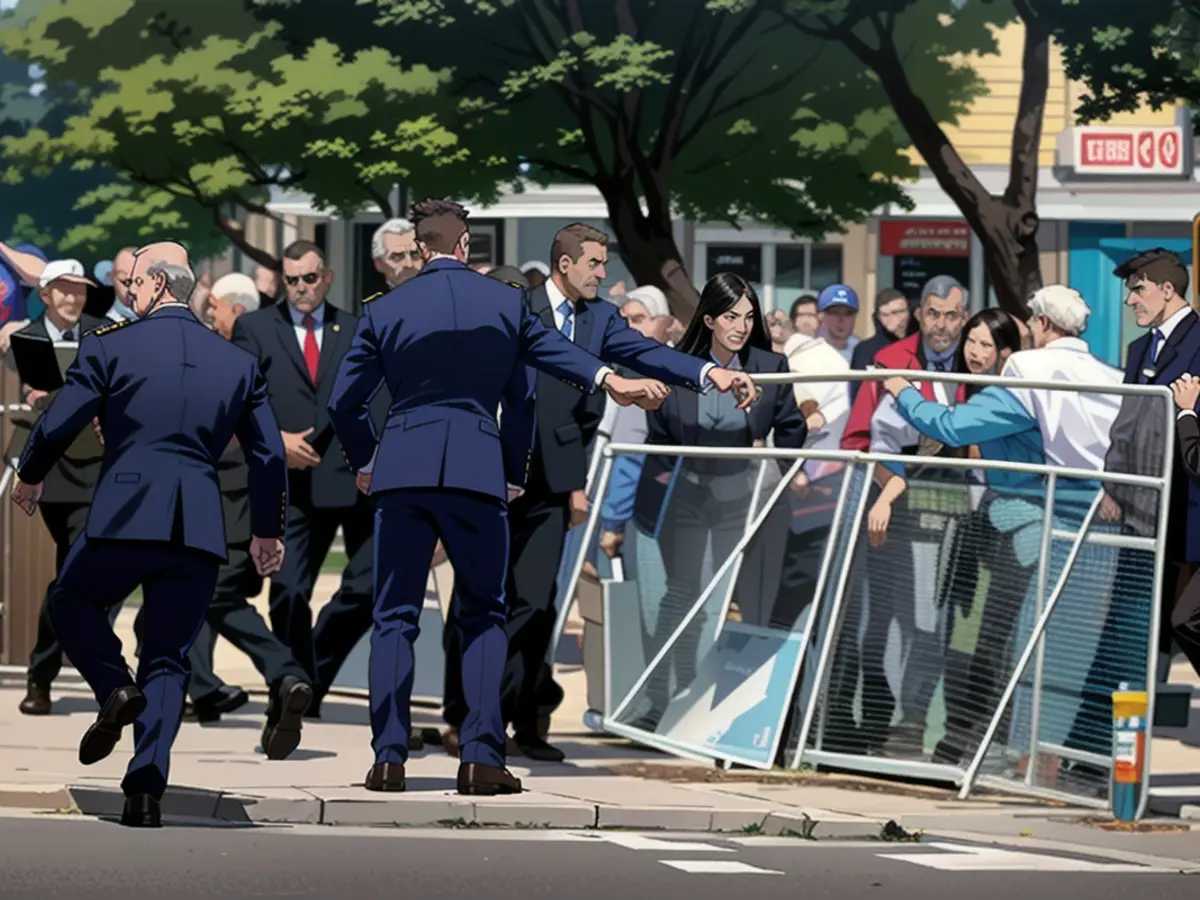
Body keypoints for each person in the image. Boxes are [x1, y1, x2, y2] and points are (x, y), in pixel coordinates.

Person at [327, 197, 733, 795]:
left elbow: (345, 401)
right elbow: (537, 380)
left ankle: (388, 758)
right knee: (486, 614)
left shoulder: (386, 308)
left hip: (404, 471)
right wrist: (602, 385)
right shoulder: (504, 301)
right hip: (475, 468)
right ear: (466, 246)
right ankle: (481, 757)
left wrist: (367, 460)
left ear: (418, 248)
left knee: (394, 618)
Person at [442, 224, 759, 763]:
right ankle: (465, 717)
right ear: (565, 265)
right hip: (487, 474)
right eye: (594, 263)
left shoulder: (601, 319)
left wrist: (710, 373)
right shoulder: (514, 306)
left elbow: (649, 354)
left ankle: (517, 717)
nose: (602, 273)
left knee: (535, 604)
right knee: (478, 602)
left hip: (551, 481)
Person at [9, 241, 290, 829]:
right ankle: (144, 792)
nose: (126, 292)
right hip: (197, 522)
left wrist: (29, 476)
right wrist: (267, 531)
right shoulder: (235, 363)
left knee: (69, 600)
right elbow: (268, 456)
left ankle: (113, 687)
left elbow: (59, 420)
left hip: (125, 510)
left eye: (133, 283)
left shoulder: (111, 345)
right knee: (168, 657)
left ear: (160, 284)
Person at [618, 273, 806, 723]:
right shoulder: (680, 365)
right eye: (729, 316)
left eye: (747, 317)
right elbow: (660, 429)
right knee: (682, 596)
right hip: (684, 494)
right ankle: (666, 695)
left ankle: (738, 705)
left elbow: (793, 428)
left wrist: (777, 467)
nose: (740, 326)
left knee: (741, 598)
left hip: (740, 495)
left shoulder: (769, 365)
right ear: (708, 319)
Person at [878, 308, 1034, 763]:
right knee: (960, 636)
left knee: (990, 642)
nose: (975, 352)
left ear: (1007, 353)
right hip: (974, 524)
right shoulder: (971, 387)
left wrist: (903, 390)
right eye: (972, 341)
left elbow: (947, 426)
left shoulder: (1008, 394)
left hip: (1015, 527)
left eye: (987, 345)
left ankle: (988, 741)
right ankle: (957, 738)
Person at [232, 240, 379, 719]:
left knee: (370, 586)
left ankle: (308, 678)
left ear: (327, 277)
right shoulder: (254, 329)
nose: (300, 288)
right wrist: (274, 441)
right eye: (292, 280)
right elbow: (237, 402)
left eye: (309, 278)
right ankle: (293, 682)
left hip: (354, 480)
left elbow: (376, 398)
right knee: (289, 592)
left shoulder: (357, 328)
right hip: (289, 484)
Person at [179, 273, 314, 731]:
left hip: (230, 501)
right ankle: (201, 687)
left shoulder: (233, 355)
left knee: (214, 595)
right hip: (214, 498)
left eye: (214, 307)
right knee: (194, 592)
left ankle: (284, 669)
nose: (212, 315)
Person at [10, 259, 110, 716]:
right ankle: (45, 673)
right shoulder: (25, 339)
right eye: (64, 290)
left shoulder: (105, 333)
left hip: (98, 466)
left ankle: (68, 669)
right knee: (69, 573)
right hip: (53, 468)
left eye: (80, 291)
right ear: (46, 294)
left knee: (81, 569)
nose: (73, 299)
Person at [849, 288, 915, 402]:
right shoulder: (865, 350)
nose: (901, 318)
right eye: (893, 313)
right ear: (880, 316)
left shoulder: (916, 346)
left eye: (903, 311)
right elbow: (859, 395)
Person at [371, 218, 423, 288]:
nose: (409, 264)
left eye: (415, 254)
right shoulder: (379, 298)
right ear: (379, 264)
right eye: (397, 257)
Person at [816, 283, 860, 363]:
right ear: (821, 316)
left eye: (848, 313)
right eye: (835, 312)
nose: (841, 319)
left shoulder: (863, 352)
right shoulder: (810, 350)